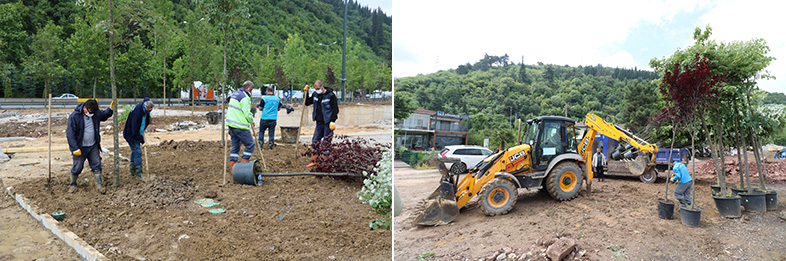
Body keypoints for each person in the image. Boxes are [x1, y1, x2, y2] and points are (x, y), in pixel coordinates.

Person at [66, 99, 113, 193]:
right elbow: (70, 134)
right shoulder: (75, 116)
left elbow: (104, 115)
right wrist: (75, 148)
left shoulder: (95, 113)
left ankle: (99, 185)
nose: (91, 114)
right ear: (84, 108)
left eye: (93, 113)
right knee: (77, 167)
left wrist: (111, 109)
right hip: (80, 147)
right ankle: (73, 184)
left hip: (93, 146)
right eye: (90, 112)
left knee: (97, 164)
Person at [226, 80, 256, 171]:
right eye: (251, 90)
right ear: (248, 88)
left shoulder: (235, 94)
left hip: (231, 125)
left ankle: (233, 168)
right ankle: (243, 166)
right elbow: (247, 113)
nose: (251, 92)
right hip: (240, 125)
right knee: (250, 144)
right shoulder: (245, 97)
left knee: (235, 146)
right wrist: (251, 120)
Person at [123, 98, 154, 180]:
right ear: (145, 106)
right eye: (148, 110)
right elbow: (134, 131)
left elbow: (146, 99)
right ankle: (139, 173)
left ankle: (132, 171)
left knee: (135, 151)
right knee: (137, 151)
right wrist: (142, 141)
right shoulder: (137, 112)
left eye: (150, 111)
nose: (148, 112)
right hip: (131, 134)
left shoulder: (145, 108)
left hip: (138, 133)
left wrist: (143, 129)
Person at [303, 80, 339, 145]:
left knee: (326, 141)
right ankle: (315, 154)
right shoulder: (315, 94)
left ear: (323, 86)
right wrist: (306, 93)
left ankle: (325, 155)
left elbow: (335, 109)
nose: (317, 90)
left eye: (318, 88)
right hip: (319, 122)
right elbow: (307, 103)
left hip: (328, 123)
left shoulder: (331, 95)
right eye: (315, 89)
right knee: (315, 141)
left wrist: (333, 121)